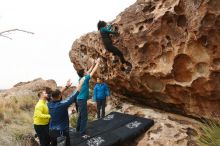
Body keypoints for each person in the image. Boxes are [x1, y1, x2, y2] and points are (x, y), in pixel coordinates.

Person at [48, 79, 85, 146]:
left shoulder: (49, 104)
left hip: (51, 131)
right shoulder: (62, 104)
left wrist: (66, 86)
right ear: (59, 96)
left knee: (53, 144)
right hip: (62, 132)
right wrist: (81, 83)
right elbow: (75, 94)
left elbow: (56, 95)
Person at [76, 58, 101, 136]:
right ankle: (82, 132)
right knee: (84, 116)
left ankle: (78, 129)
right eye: (85, 71)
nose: (86, 72)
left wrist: (92, 64)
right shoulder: (85, 78)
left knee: (80, 115)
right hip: (82, 99)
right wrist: (98, 63)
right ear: (83, 73)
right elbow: (92, 71)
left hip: (79, 99)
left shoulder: (81, 78)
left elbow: (89, 71)